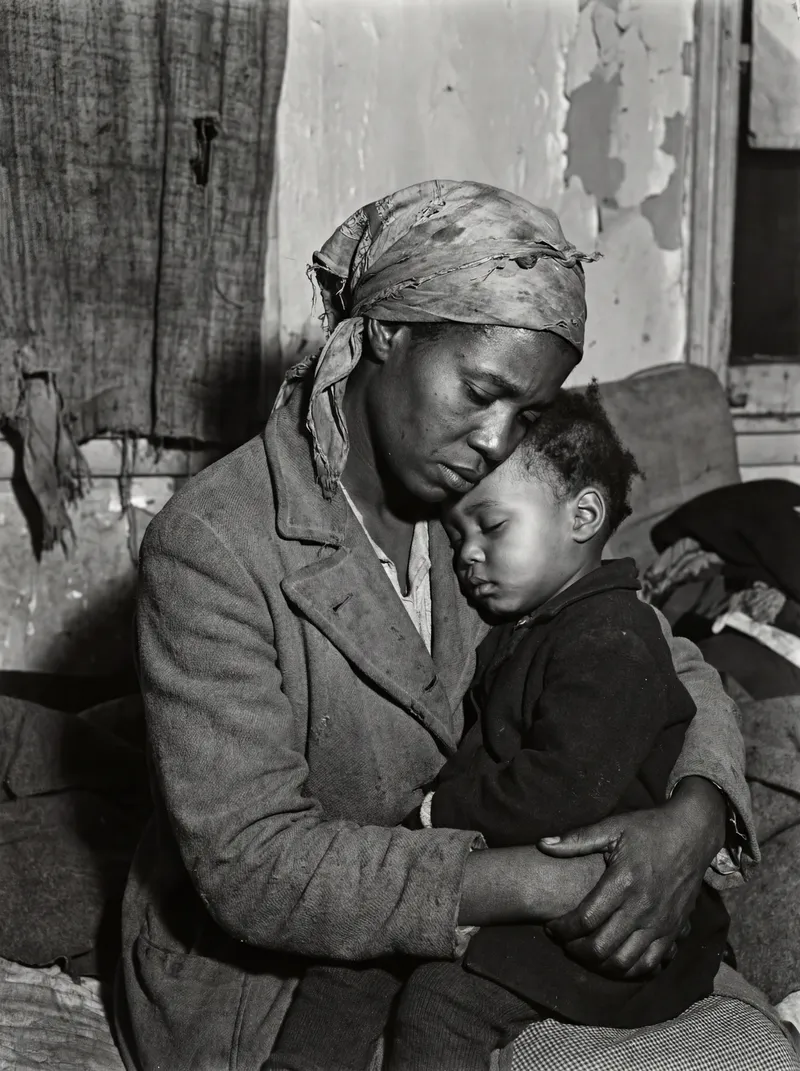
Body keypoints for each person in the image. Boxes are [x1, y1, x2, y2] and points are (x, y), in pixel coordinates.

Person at [115, 180, 796, 1071]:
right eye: (481, 392)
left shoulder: (480, 506)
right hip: (297, 985)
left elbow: (656, 650)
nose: (497, 440)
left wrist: (695, 817)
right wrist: (549, 882)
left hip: (493, 943)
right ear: (388, 333)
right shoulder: (213, 542)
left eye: (527, 414)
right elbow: (255, 868)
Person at [266, 384, 730, 1071]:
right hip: (520, 875)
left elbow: (562, 790)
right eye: (458, 537)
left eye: (492, 526)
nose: (467, 555)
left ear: (583, 516)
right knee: (356, 956)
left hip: (603, 910)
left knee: (443, 1000)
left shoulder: (613, 634)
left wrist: (433, 814)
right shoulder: (531, 621)